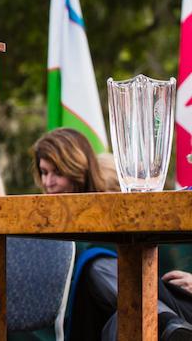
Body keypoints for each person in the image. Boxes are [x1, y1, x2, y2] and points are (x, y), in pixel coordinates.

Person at [32, 128, 192, 340]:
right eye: (44, 172)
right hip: (102, 313)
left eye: (57, 173)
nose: (48, 182)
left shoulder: (116, 209)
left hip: (170, 300)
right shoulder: (35, 220)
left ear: (76, 169)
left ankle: (161, 320)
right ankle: (162, 321)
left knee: (97, 265)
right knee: (122, 320)